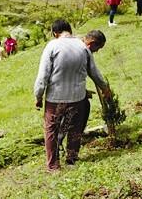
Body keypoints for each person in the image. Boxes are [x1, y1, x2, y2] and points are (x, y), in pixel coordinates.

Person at [34, 20, 112, 172]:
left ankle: (53, 166)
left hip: (55, 99)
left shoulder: (52, 46)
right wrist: (105, 88)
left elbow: (43, 76)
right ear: (69, 30)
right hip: (77, 98)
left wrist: (38, 97)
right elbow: (94, 73)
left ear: (55, 32)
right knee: (75, 128)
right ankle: (72, 158)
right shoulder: (83, 47)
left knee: (51, 131)